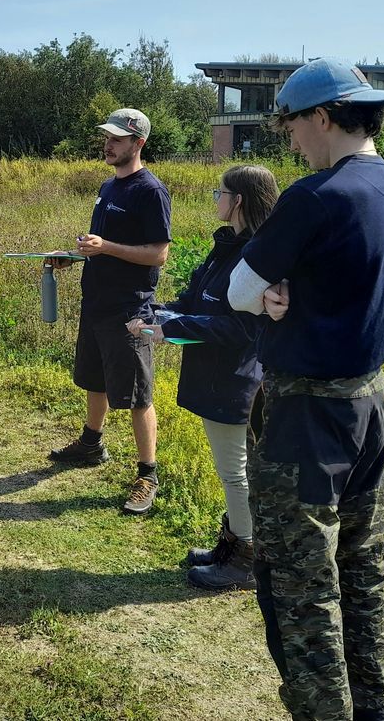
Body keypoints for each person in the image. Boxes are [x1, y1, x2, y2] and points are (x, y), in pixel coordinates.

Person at [227, 58, 384, 721]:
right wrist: (291, 290)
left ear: (324, 117)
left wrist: (269, 296)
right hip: (370, 406)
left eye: (294, 127)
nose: (293, 142)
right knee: (364, 578)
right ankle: (372, 710)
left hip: (307, 419)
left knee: (301, 593)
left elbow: (239, 289)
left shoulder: (316, 195)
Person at [127, 164, 279, 589]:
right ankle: (230, 544)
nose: (215, 198)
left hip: (237, 379)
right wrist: (156, 313)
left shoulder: (257, 255)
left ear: (239, 202)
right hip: (214, 375)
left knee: (236, 471)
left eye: (220, 192)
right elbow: (196, 299)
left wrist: (171, 328)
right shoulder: (226, 247)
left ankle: (245, 559)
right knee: (233, 469)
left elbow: (241, 329)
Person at [46, 108, 172, 515]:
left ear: (139, 143)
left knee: (137, 395)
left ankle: (147, 475)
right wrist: (74, 256)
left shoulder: (150, 191)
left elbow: (158, 253)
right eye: (107, 137)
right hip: (96, 302)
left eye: (118, 139)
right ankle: (90, 443)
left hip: (129, 310)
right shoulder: (108, 187)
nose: (108, 144)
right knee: (94, 380)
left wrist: (107, 248)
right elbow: (102, 245)